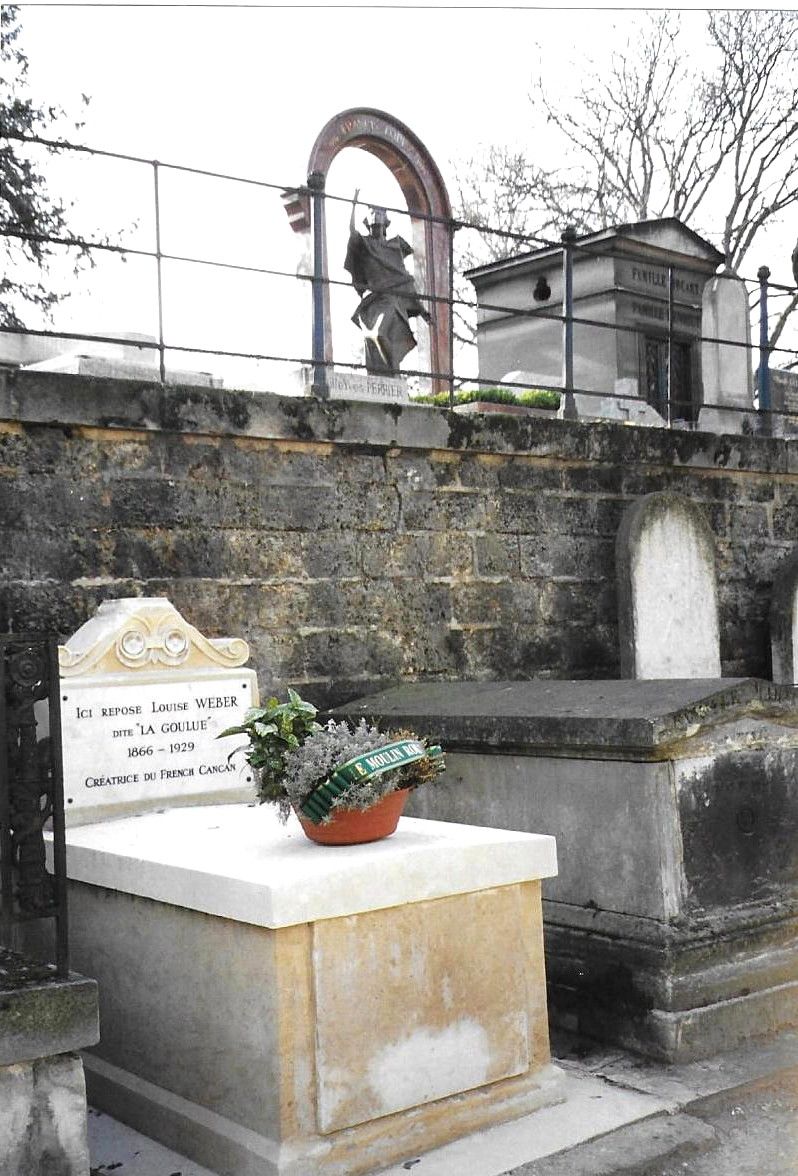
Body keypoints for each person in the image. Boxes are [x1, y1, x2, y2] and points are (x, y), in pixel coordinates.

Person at [344, 189, 431, 376]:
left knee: (380, 333)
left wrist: (423, 311)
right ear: (368, 222)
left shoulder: (394, 246)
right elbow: (351, 232)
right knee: (370, 340)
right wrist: (353, 205)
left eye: (380, 213)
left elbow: (404, 279)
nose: (376, 217)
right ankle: (381, 377)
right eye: (373, 214)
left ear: (385, 222)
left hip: (390, 302)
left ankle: (393, 374)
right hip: (371, 303)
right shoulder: (365, 244)